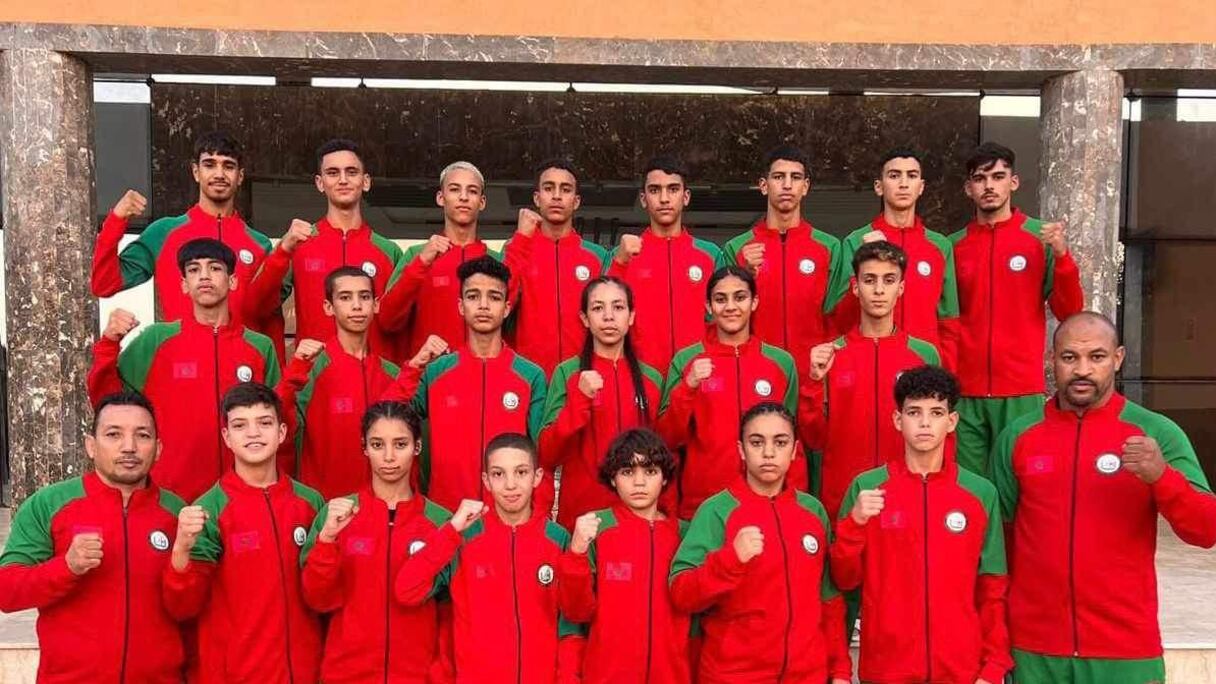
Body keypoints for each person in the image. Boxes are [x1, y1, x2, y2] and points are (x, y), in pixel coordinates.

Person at [991, 312, 1216, 684]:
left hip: (1125, 651)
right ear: (1051, 359)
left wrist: (1162, 477)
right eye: (1069, 357)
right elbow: (999, 544)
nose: (1082, 370)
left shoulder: (1156, 433)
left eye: (1096, 357)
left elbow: (1206, 530)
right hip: (1035, 651)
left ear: (1118, 358)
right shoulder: (1018, 436)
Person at [831, 365, 1010, 684]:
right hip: (887, 669)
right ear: (898, 420)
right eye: (914, 412)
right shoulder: (867, 489)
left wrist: (994, 666)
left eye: (936, 412)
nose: (925, 422)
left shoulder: (980, 494)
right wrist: (855, 524)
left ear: (951, 421)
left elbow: (992, 588)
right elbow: (844, 581)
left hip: (961, 671)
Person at [0, 392, 187, 683]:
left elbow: (192, 607)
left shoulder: (178, 513)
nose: (129, 447)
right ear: (91, 445)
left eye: (142, 435)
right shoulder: (48, 504)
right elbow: (7, 592)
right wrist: (67, 567)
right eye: (113, 434)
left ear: (158, 448)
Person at [87, 238, 281, 503]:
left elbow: (277, 421)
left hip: (241, 500)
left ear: (233, 281)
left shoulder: (260, 347)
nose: (204, 276)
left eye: (215, 268)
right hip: (169, 497)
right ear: (184, 284)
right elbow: (107, 400)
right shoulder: (156, 339)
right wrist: (109, 343)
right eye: (193, 269)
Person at [669, 403, 850, 684]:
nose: (768, 453)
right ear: (741, 450)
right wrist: (730, 560)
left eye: (780, 442)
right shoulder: (717, 511)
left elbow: (828, 599)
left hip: (807, 674)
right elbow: (681, 592)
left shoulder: (813, 512)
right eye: (756, 442)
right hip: (733, 675)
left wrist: (839, 669)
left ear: (794, 450)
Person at [162, 382, 325, 684]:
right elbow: (183, 606)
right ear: (227, 436)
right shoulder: (209, 509)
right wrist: (181, 549)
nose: (253, 433)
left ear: (282, 432)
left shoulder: (310, 503)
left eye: (264, 423)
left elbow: (323, 592)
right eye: (240, 425)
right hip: (235, 674)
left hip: (305, 672)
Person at [395, 433, 583, 684]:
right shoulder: (463, 537)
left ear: (537, 477)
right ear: (486, 480)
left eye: (521, 472)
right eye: (498, 474)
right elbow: (406, 590)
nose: (510, 485)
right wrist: (451, 530)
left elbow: (570, 627)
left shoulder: (558, 540)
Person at [951, 142, 1084, 474]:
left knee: (1021, 482)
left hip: (1021, 389)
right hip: (965, 392)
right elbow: (944, 319)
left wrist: (1062, 256)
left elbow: (1070, 311)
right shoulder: (953, 246)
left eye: (998, 177)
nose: (989, 186)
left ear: (1013, 182)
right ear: (968, 188)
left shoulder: (1039, 238)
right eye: (980, 179)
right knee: (971, 487)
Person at [90, 131, 285, 356]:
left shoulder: (260, 244)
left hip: (242, 368)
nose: (219, 174)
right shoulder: (163, 232)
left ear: (240, 176)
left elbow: (270, 321)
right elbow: (103, 284)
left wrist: (278, 377)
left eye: (228, 166)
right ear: (196, 171)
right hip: (180, 364)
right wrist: (116, 220)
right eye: (209, 165)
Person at [383, 256, 549, 512]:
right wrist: (414, 366)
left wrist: (537, 516)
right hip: (444, 515)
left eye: (494, 297)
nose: (483, 305)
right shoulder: (435, 371)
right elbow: (386, 419)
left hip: (505, 519)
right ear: (461, 306)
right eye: (473, 296)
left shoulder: (531, 375)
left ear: (506, 308)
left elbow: (543, 455)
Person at [300, 401, 451, 683]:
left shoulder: (441, 522)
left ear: (417, 446)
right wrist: (327, 539)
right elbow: (316, 599)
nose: (389, 457)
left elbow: (450, 611)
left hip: (417, 676)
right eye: (378, 445)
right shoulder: (338, 515)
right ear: (364, 447)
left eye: (400, 444)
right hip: (346, 674)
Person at [801, 241, 941, 519]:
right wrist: (813, 382)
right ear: (855, 287)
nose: (878, 290)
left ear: (901, 287)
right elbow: (813, 438)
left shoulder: (924, 355)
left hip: (907, 498)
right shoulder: (832, 354)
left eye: (888, 280)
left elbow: (939, 436)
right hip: (844, 497)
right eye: (869, 280)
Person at [657, 265, 800, 519]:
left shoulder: (781, 363)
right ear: (709, 307)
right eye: (721, 299)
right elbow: (667, 438)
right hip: (703, 504)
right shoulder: (687, 360)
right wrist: (688, 387)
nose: (731, 307)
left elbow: (792, 440)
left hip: (769, 502)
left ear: (754, 302)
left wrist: (794, 501)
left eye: (740, 297)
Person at [246, 138, 405, 359]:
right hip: (316, 375)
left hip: (372, 377)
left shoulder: (389, 251)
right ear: (320, 183)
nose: (343, 180)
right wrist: (282, 250)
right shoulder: (299, 243)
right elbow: (256, 308)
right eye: (333, 173)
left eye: (351, 172)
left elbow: (398, 324)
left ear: (366, 181)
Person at [557, 428, 691, 684]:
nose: (639, 482)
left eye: (650, 471)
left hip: (672, 675)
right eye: (628, 472)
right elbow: (576, 611)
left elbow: (696, 612)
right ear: (612, 478)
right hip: (608, 675)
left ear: (664, 477)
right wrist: (576, 552)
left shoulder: (684, 534)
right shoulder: (597, 529)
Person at [539, 276, 664, 530]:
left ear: (631, 316)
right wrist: (579, 400)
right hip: (582, 517)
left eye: (618, 307)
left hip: (640, 517)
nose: (608, 317)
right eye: (598, 308)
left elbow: (665, 453)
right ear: (584, 318)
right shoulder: (568, 373)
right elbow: (547, 453)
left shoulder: (651, 378)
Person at [830, 147, 960, 370]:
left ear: (921, 187)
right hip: (869, 366)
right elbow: (841, 316)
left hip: (922, 370)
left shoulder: (940, 246)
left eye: (911, 175)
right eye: (894, 175)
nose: (903, 183)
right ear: (879, 186)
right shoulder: (857, 240)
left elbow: (949, 322)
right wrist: (867, 255)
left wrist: (944, 374)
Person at [278, 266, 400, 499]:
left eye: (364, 297)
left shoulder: (392, 374)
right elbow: (279, 425)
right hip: (327, 506)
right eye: (345, 297)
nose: (357, 306)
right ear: (328, 307)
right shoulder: (310, 369)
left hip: (382, 507)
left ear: (376, 304)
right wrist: (294, 374)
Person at [723, 145, 843, 376]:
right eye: (778, 177)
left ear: (805, 187)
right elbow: (724, 317)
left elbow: (839, 316)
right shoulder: (736, 248)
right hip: (755, 374)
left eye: (795, 177)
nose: (787, 185)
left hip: (814, 373)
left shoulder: (830, 247)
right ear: (763, 185)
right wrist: (743, 274)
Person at [606, 155, 725, 373]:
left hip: (698, 375)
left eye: (673, 189)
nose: (664, 199)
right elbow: (604, 313)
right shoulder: (623, 254)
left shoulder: (710, 254)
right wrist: (619, 263)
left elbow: (725, 320)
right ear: (643, 199)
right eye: (655, 190)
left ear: (685, 197)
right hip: (640, 376)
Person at [379, 161, 500, 362]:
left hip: (485, 375)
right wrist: (421, 263)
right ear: (440, 198)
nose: (463, 197)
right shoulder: (417, 255)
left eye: (472, 191)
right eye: (454, 189)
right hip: (430, 375)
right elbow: (387, 320)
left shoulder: (496, 260)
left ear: (482, 202)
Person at [502, 158, 609, 376]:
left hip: (584, 376)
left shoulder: (597, 257)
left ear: (576, 201)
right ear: (537, 198)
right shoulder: (517, 248)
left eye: (565, 189)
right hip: (530, 377)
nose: (557, 196)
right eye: (549, 188)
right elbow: (501, 303)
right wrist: (521, 239)